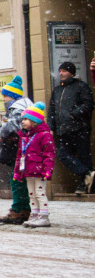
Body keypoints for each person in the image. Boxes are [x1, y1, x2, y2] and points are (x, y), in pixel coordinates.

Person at [47, 61, 94, 195]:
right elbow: (52, 110)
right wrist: (51, 126)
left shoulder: (81, 86)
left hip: (80, 128)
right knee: (63, 155)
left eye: (64, 71)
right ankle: (87, 174)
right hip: (63, 130)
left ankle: (84, 185)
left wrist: (74, 114)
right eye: (60, 71)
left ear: (71, 73)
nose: (61, 73)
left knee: (84, 156)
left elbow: (88, 104)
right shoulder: (57, 90)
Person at [0, 76, 34, 225]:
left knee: (17, 179)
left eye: (5, 95)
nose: (3, 99)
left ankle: (19, 210)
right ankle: (23, 209)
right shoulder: (23, 107)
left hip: (17, 149)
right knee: (20, 179)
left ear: (13, 96)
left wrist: (0, 133)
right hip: (20, 148)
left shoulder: (17, 108)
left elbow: (9, 127)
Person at [14, 103, 55, 227]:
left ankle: (44, 216)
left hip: (39, 170)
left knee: (40, 193)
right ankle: (34, 214)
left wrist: (47, 169)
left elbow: (49, 154)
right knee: (31, 193)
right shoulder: (24, 137)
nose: (23, 122)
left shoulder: (44, 135)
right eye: (23, 119)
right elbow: (20, 155)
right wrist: (17, 171)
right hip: (28, 170)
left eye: (26, 119)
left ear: (34, 121)